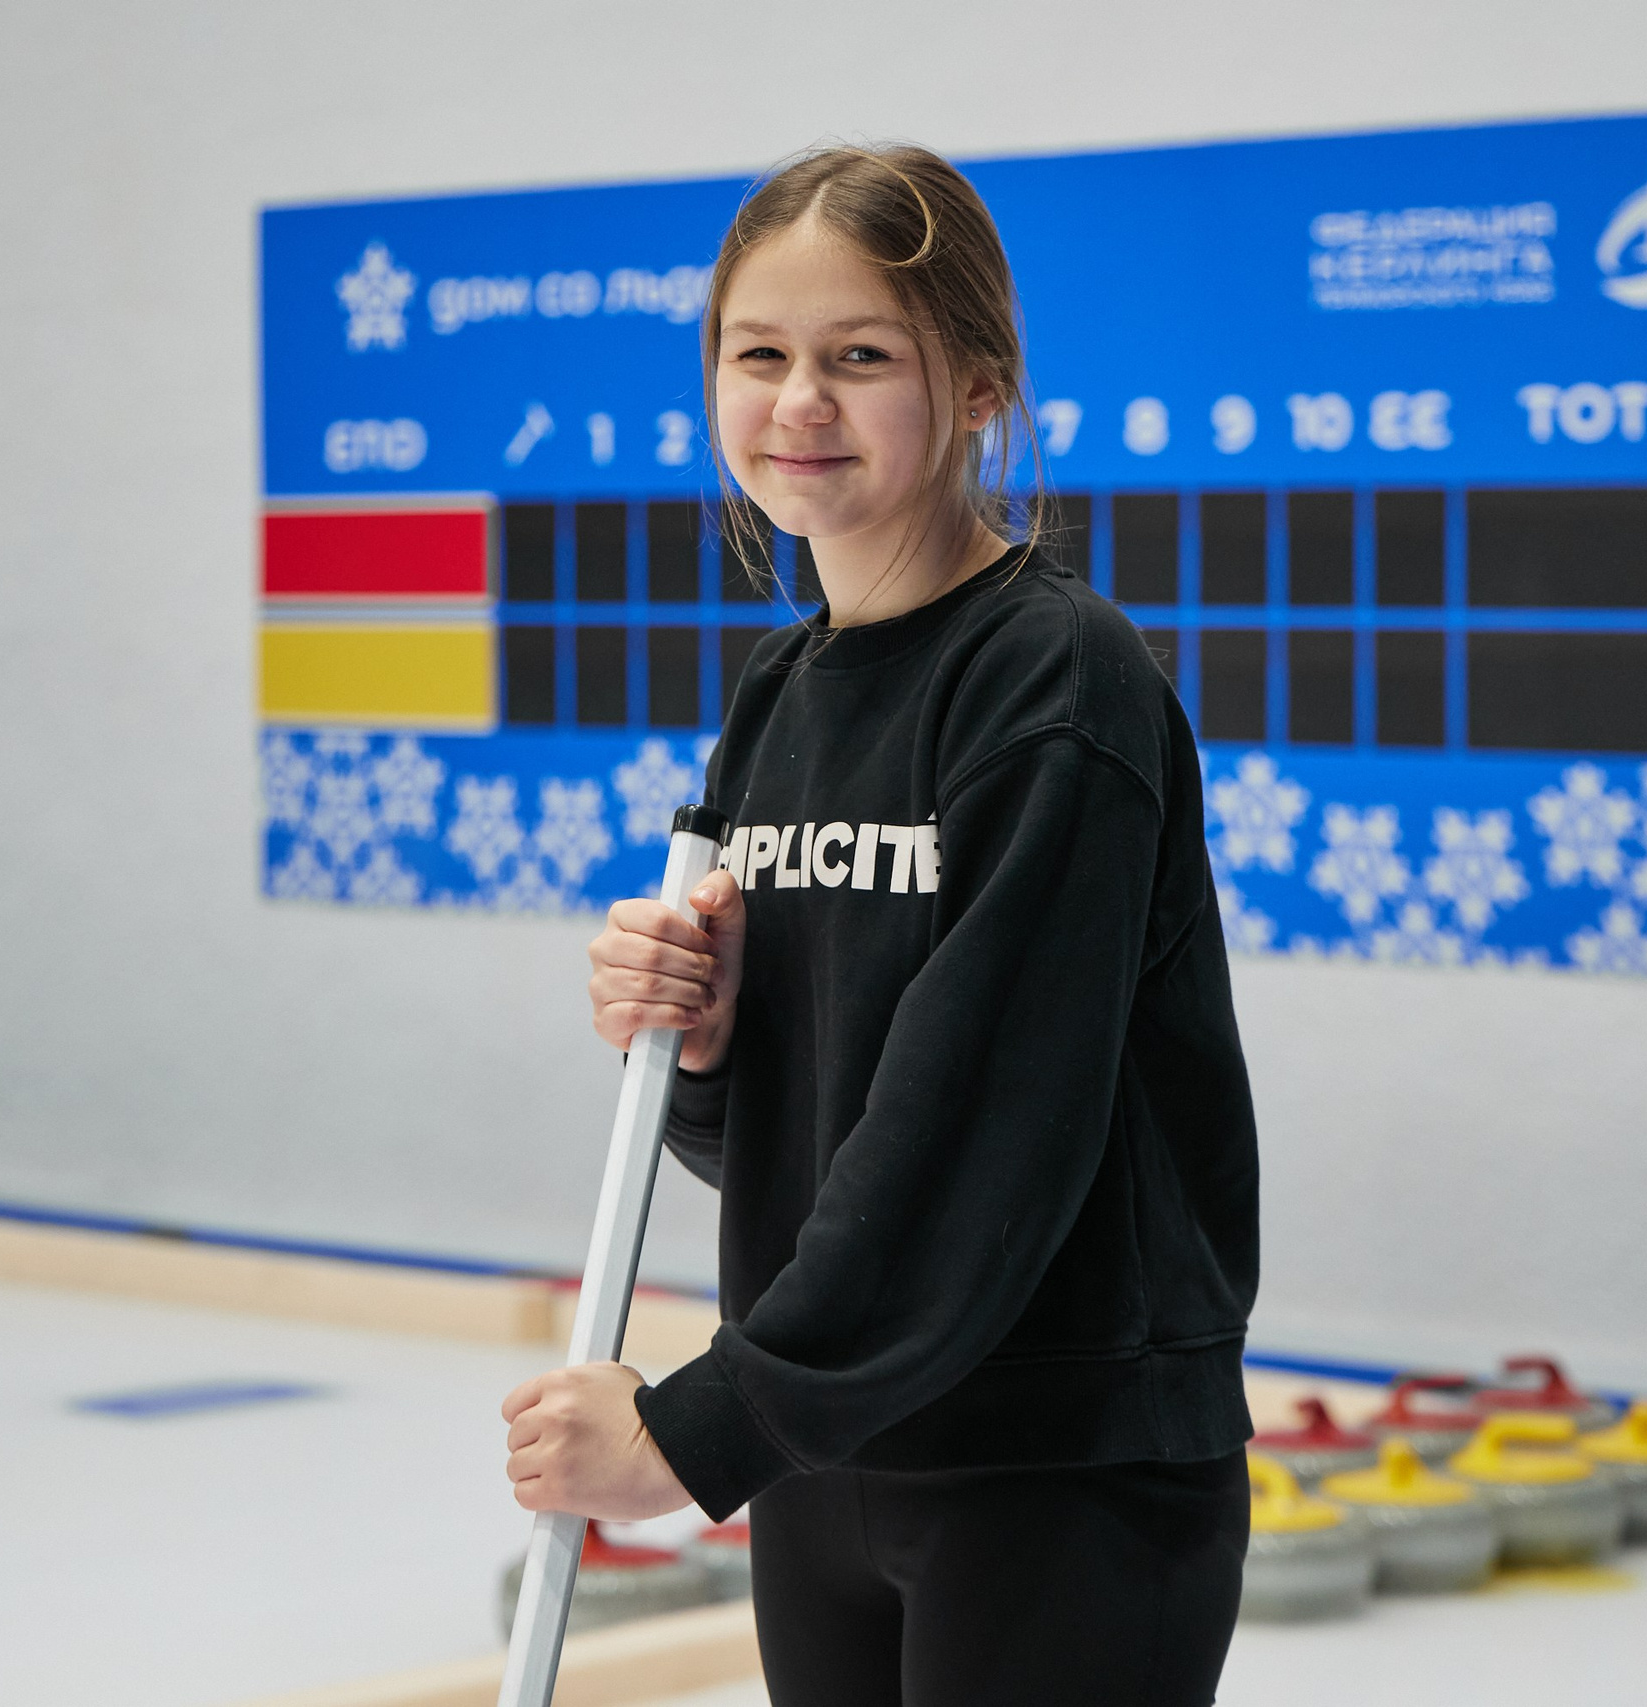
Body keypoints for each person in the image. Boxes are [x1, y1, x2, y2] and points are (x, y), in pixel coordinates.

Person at [501, 143, 1261, 1707]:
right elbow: (789, 1129)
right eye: (758, 355)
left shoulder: (1052, 685)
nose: (799, 405)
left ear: (977, 386)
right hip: (838, 1454)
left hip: (1056, 1458)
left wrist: (699, 1429)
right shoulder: (780, 693)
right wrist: (704, 1042)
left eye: (862, 358)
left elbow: (980, 1128)